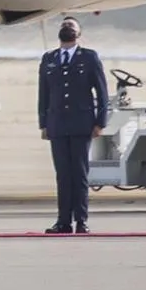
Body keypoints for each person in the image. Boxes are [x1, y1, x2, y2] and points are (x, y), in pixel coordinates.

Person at [38, 17, 108, 235]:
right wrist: (43, 123)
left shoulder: (89, 57)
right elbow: (43, 93)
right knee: (63, 175)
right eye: (64, 25)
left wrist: (100, 122)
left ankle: (81, 220)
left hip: (81, 124)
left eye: (71, 25)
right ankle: (63, 221)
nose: (67, 27)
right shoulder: (49, 59)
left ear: (79, 33)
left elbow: (102, 92)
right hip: (57, 124)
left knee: (79, 173)